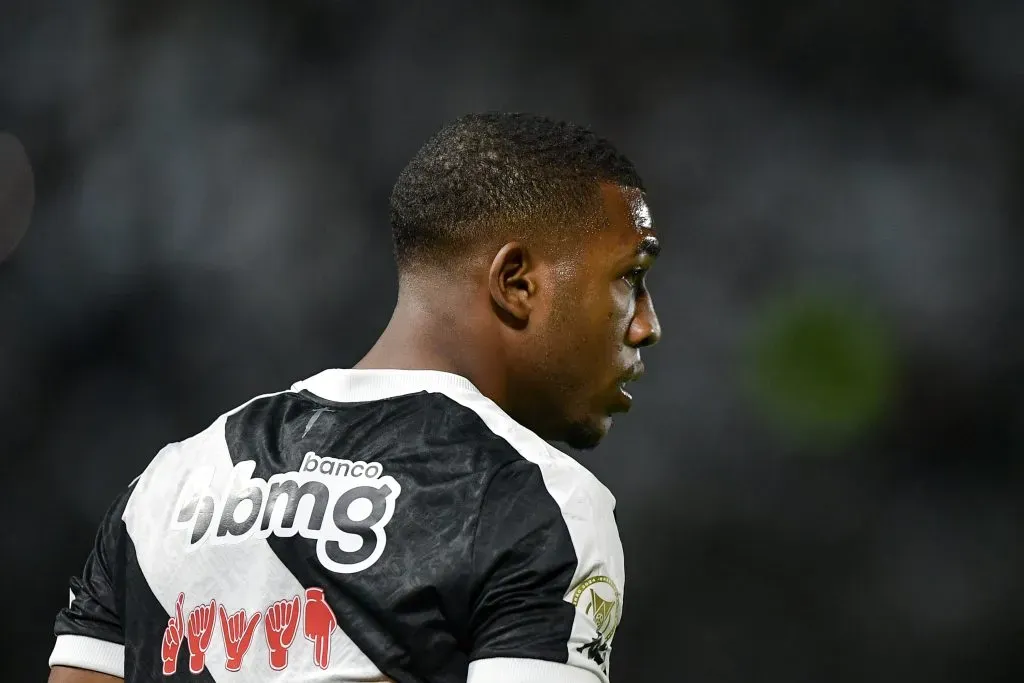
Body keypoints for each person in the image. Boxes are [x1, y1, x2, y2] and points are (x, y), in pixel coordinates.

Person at [47, 111, 662, 683]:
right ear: (517, 281)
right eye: (630, 278)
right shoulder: (539, 508)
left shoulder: (166, 485)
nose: (647, 325)